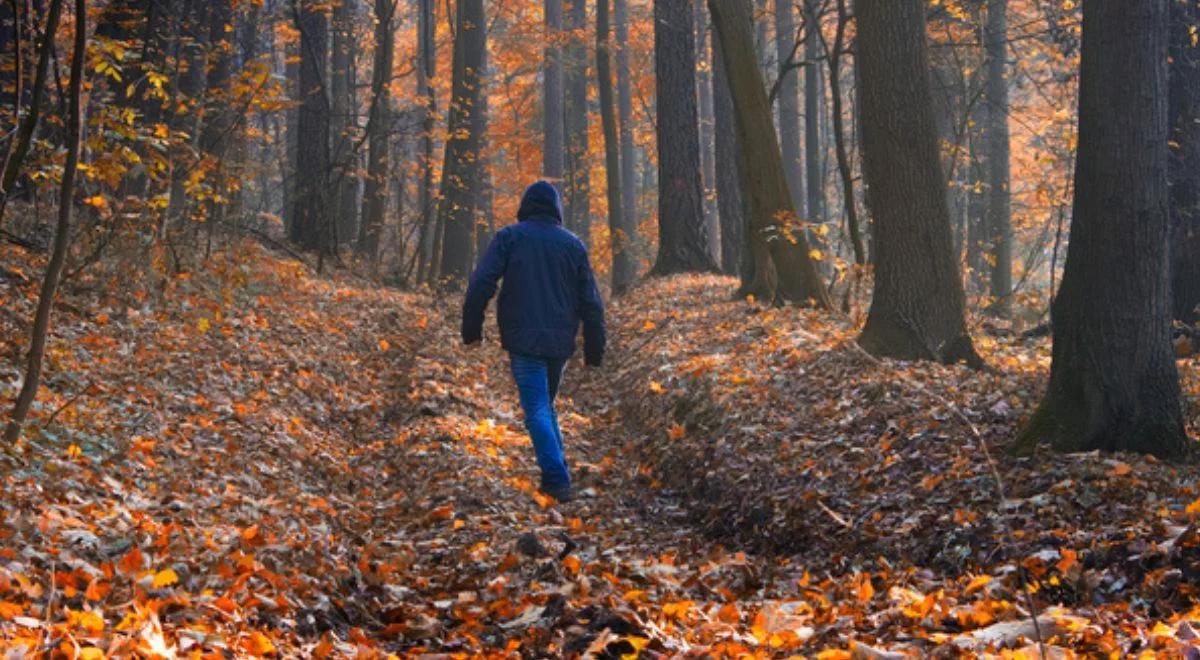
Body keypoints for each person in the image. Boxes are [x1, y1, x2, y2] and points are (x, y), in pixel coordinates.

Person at [462, 181, 606, 503]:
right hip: (559, 341)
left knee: (538, 407)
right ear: (556, 209)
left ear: (526, 206)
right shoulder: (573, 245)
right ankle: (557, 469)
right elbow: (592, 302)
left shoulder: (510, 238)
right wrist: (594, 349)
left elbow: (481, 282)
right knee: (545, 404)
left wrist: (472, 327)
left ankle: (556, 480)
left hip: (523, 338)